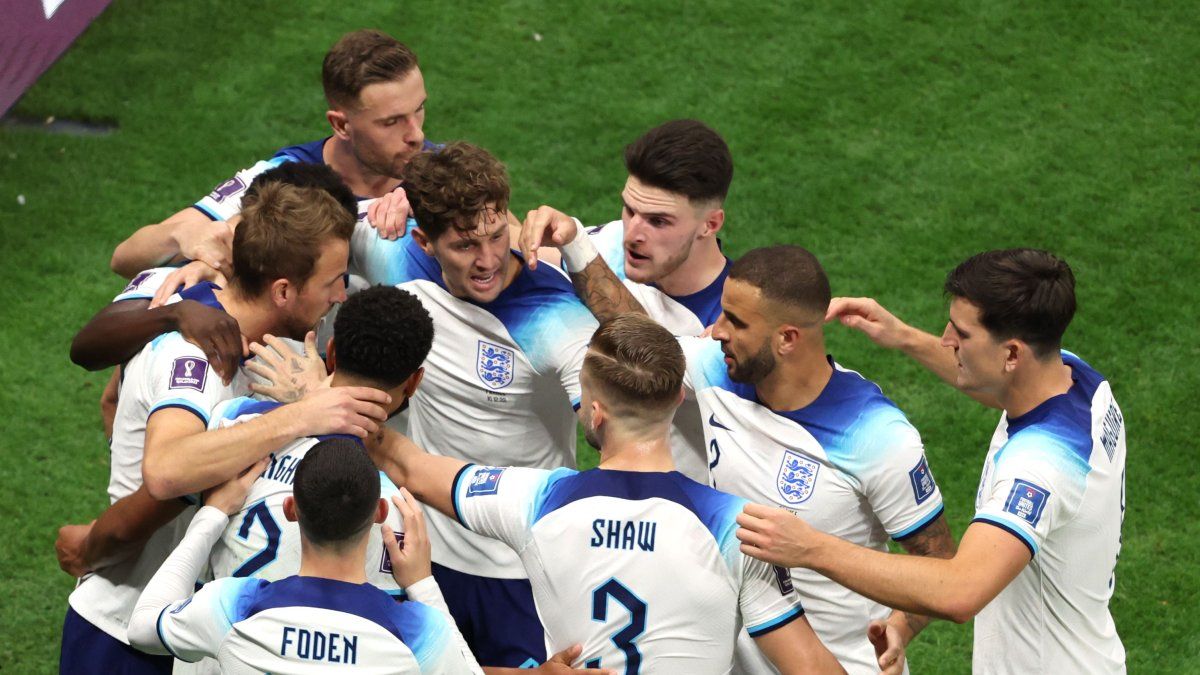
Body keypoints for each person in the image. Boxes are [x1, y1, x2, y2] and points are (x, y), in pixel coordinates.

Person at [538, 236, 955, 673]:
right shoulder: (716, 368)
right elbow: (642, 349)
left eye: (735, 322)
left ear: (787, 339)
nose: (717, 330)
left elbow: (939, 561)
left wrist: (900, 629)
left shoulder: (877, 436)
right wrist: (574, 243)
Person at [368, 314, 846, 674]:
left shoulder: (534, 501)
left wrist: (340, 395)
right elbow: (810, 666)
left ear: (595, 413)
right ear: (678, 398)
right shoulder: (741, 528)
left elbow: (410, 466)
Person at [736, 249, 1127, 673]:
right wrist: (902, 336)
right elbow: (999, 382)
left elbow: (960, 591)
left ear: (1012, 354)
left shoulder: (1040, 466)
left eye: (962, 333)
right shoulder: (1077, 380)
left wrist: (810, 547)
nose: (946, 340)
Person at [58, 182, 390, 674]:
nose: (341, 295)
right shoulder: (195, 357)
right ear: (282, 291)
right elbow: (166, 472)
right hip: (125, 634)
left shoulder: (275, 347)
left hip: (194, 633)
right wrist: (303, 415)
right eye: (333, 282)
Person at [127, 438, 482, 673]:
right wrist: (422, 584)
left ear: (291, 509)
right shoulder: (414, 632)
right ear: (380, 513)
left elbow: (142, 627)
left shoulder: (234, 608)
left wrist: (211, 515)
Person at [109, 29, 432, 279]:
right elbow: (125, 259)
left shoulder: (448, 174)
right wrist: (185, 234)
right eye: (391, 122)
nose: (416, 135)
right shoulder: (282, 180)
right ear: (341, 125)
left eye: (419, 109)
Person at [521, 119, 733, 481]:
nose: (633, 234)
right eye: (629, 210)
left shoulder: (731, 320)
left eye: (658, 221)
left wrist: (576, 246)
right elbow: (512, 248)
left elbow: (653, 356)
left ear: (710, 224)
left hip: (692, 505)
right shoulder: (614, 242)